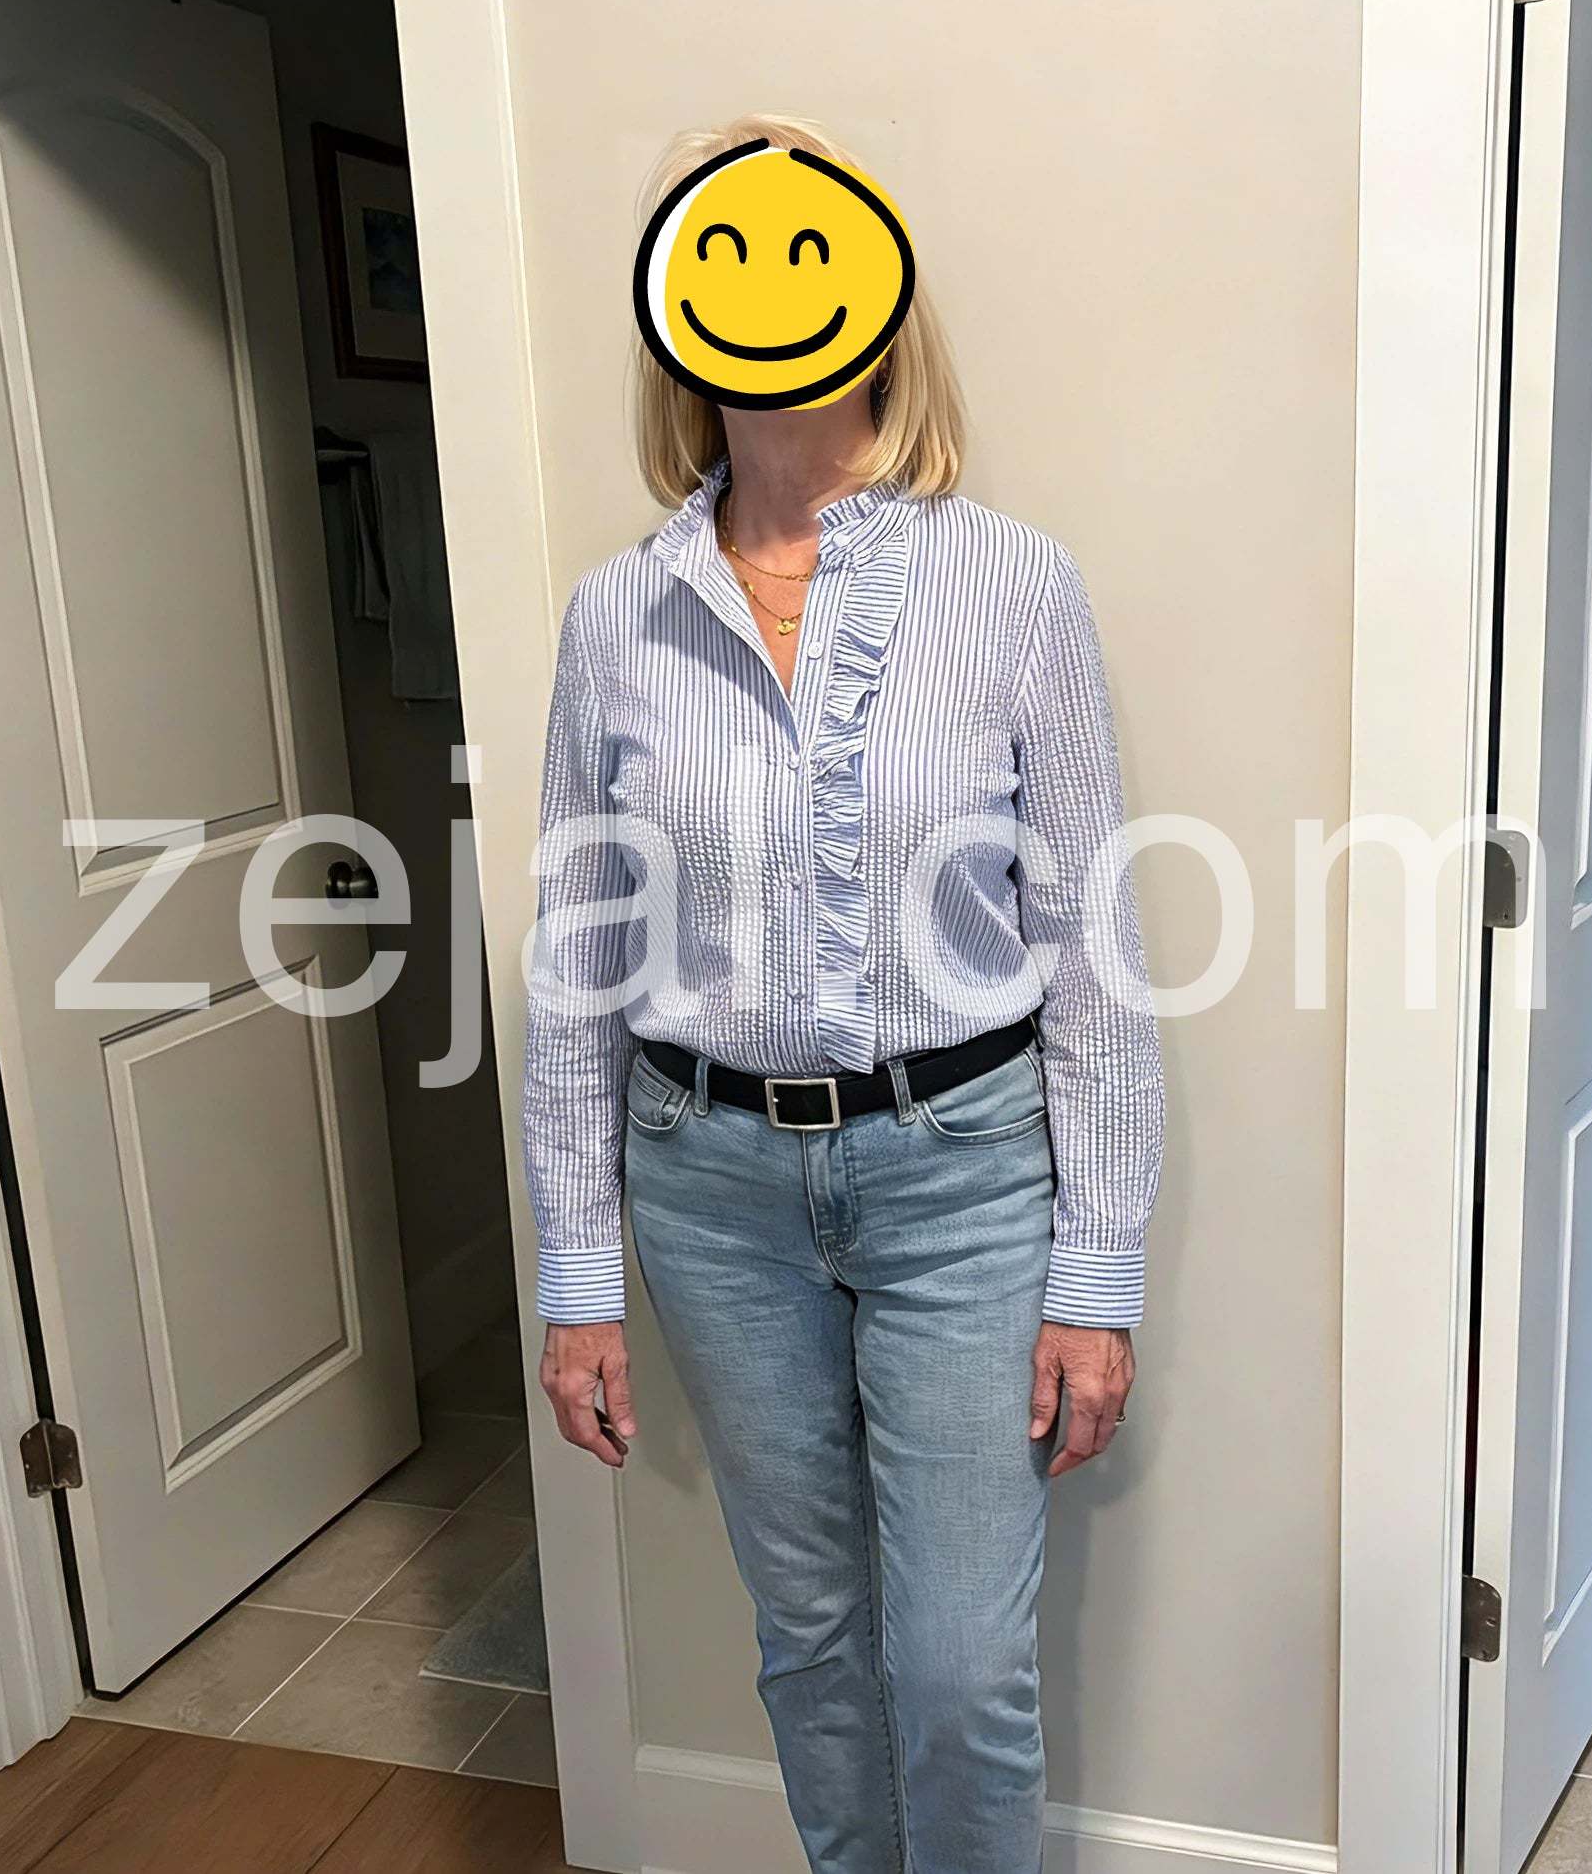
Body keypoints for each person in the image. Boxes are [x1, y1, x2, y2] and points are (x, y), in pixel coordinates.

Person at [522, 113, 1163, 1874]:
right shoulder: (617, 618)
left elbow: (1094, 948)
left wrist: (1097, 1271)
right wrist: (578, 1277)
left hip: (963, 1178)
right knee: (811, 1644)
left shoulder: (1012, 583)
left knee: (959, 1670)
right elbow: (577, 963)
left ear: (874, 301)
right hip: (708, 1188)